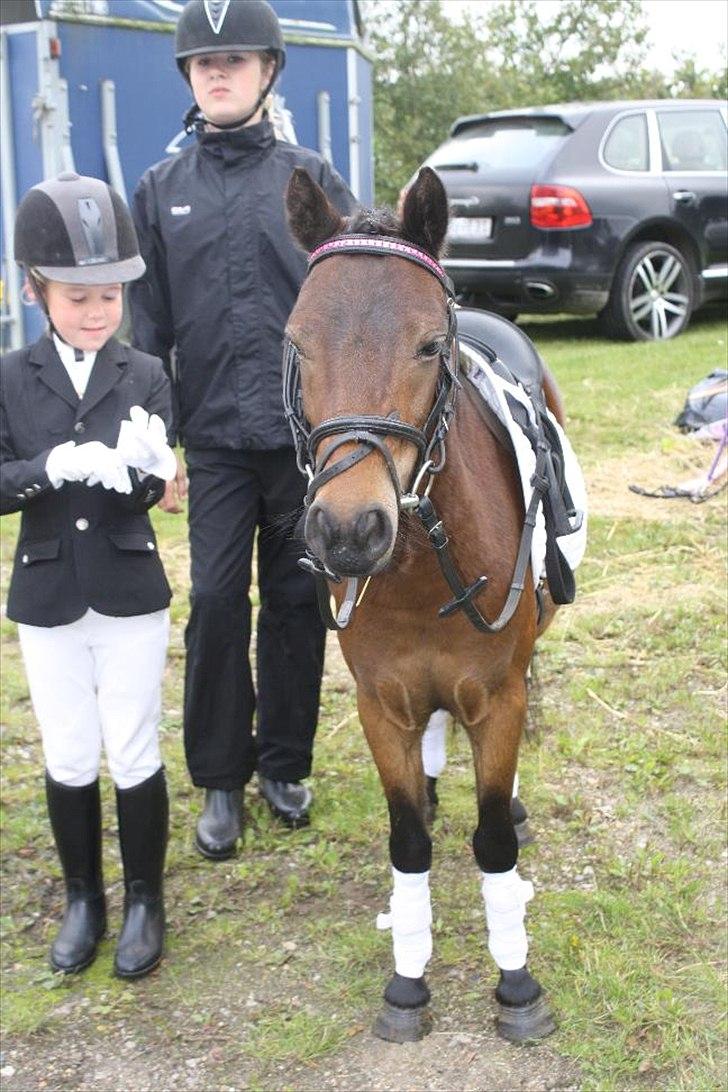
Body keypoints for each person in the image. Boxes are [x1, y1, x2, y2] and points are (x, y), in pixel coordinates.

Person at [128, 0, 357, 859]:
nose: (217, 73)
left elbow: (354, 295)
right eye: (203, 63)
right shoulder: (160, 192)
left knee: (298, 598)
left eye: (234, 61)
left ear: (268, 71)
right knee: (218, 601)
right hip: (216, 443)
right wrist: (158, 445)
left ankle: (284, 763)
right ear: (189, 78)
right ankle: (220, 778)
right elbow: (147, 329)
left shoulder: (310, 177)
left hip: (301, 440)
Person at [1, 172, 178, 978]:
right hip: (47, 591)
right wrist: (50, 466)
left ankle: (144, 899)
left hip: (128, 589)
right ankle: (83, 898)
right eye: (77, 297)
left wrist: (148, 468)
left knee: (134, 745)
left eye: (110, 295)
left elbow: (149, 485)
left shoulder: (144, 374)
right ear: (34, 291)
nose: (98, 312)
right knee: (70, 750)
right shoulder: (10, 376)